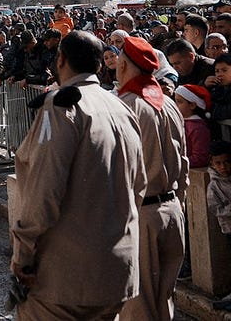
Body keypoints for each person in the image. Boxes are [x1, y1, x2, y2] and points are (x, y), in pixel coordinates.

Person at [11, 31, 146, 320]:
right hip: (117, 268)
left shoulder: (61, 106)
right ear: (100, 65)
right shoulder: (120, 106)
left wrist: (23, 252)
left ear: (60, 59)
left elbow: (44, 188)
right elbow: (139, 184)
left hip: (67, 275)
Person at [116, 36, 189, 321]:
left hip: (141, 213)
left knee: (139, 306)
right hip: (171, 210)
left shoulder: (126, 106)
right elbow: (183, 161)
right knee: (164, 302)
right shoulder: (170, 104)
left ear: (122, 66)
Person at [207, 141, 231, 311]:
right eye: (218, 163)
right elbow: (218, 210)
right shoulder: (214, 186)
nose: (223, 167)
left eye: (227, 162)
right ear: (212, 164)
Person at [174, 84, 212, 169]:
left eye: (179, 102)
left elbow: (200, 158)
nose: (175, 105)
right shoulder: (181, 122)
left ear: (192, 105)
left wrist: (176, 163)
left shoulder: (198, 129)